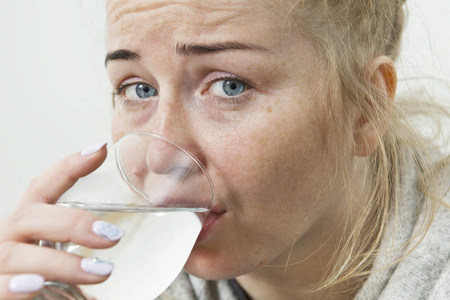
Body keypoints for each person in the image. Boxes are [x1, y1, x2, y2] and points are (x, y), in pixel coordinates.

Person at [1, 0, 449, 299]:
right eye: (138, 89)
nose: (158, 159)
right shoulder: (89, 272)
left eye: (229, 86)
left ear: (365, 108)